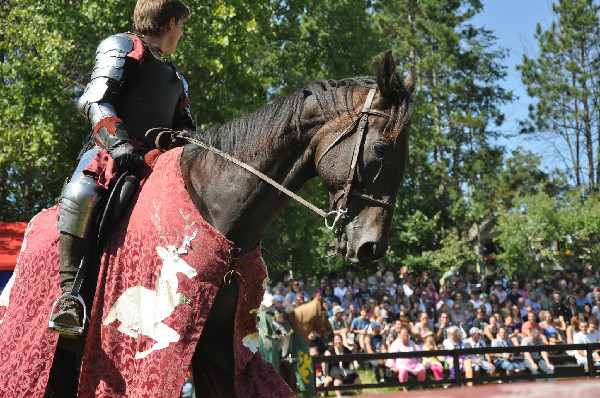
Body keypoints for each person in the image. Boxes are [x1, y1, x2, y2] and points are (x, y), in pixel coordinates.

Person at [49, 0, 194, 335]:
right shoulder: (124, 47)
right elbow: (95, 100)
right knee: (82, 192)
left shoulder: (177, 80)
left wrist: (184, 141)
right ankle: (69, 298)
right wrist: (119, 144)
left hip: (157, 161)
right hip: (114, 152)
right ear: (170, 23)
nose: (181, 34)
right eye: (181, 27)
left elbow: (188, 129)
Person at [386, 328, 426, 392]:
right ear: (400, 335)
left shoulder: (412, 342)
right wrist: (393, 366)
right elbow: (391, 356)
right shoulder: (396, 343)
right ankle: (405, 387)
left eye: (407, 333)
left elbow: (416, 355)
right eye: (404, 333)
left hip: (414, 363)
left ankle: (420, 386)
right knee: (403, 370)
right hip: (401, 364)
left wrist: (419, 362)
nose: (406, 335)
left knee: (422, 368)